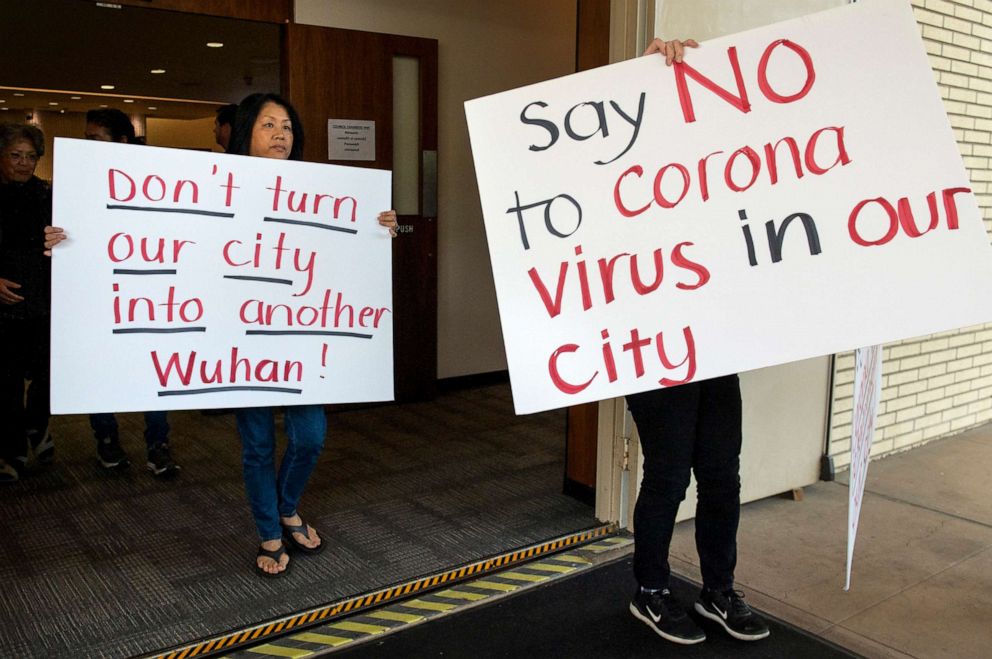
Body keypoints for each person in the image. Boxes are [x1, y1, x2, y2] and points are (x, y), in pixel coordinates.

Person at [625, 38, 770, 645]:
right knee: (667, 473)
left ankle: (717, 590)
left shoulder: (719, 167)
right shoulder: (622, 167)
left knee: (722, 474)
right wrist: (645, 69)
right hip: (656, 342)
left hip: (715, 341)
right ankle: (651, 590)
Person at [227, 93, 397, 577]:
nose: (281, 133)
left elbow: (342, 254)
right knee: (257, 443)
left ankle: (286, 505)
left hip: (299, 335)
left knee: (310, 436)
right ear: (246, 132)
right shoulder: (216, 186)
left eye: (287, 125)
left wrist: (382, 229)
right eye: (268, 124)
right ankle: (269, 530)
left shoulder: (317, 189)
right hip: (241, 336)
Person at [80, 108, 177, 477]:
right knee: (100, 368)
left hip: (147, 292)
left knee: (153, 370)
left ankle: (158, 444)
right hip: (98, 291)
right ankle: (107, 440)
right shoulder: (80, 182)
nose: (87, 146)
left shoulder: (153, 181)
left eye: (95, 139)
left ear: (122, 142)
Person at [0, 123, 54, 483]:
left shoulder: (47, 194)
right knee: (5, 382)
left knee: (49, 375)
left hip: (44, 301)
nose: (23, 163)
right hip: (2, 306)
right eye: (15, 155)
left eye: (31, 157)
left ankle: (37, 427)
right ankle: (12, 451)